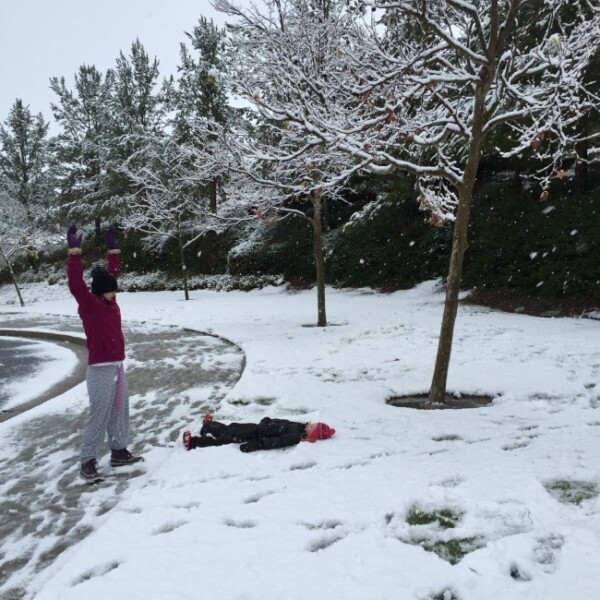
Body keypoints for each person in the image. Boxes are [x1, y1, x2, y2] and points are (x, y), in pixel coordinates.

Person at [67, 224, 143, 483]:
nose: (114, 293)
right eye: (111, 290)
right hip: (99, 369)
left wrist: (113, 249)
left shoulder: (111, 301)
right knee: (99, 413)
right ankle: (87, 461)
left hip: (118, 366)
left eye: (115, 290)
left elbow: (112, 274)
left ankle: (119, 452)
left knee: (120, 409)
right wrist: (74, 252)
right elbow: (75, 283)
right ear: (100, 291)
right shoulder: (89, 304)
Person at [183, 414, 335, 453]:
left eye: (313, 427)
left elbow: (276, 441)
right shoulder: (299, 425)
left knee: (226, 437)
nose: (310, 425)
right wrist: (268, 420)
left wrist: (255, 445)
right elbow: (282, 421)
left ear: (312, 434)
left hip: (256, 436)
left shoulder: (296, 436)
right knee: (231, 428)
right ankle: (209, 426)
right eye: (313, 424)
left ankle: (194, 442)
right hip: (257, 427)